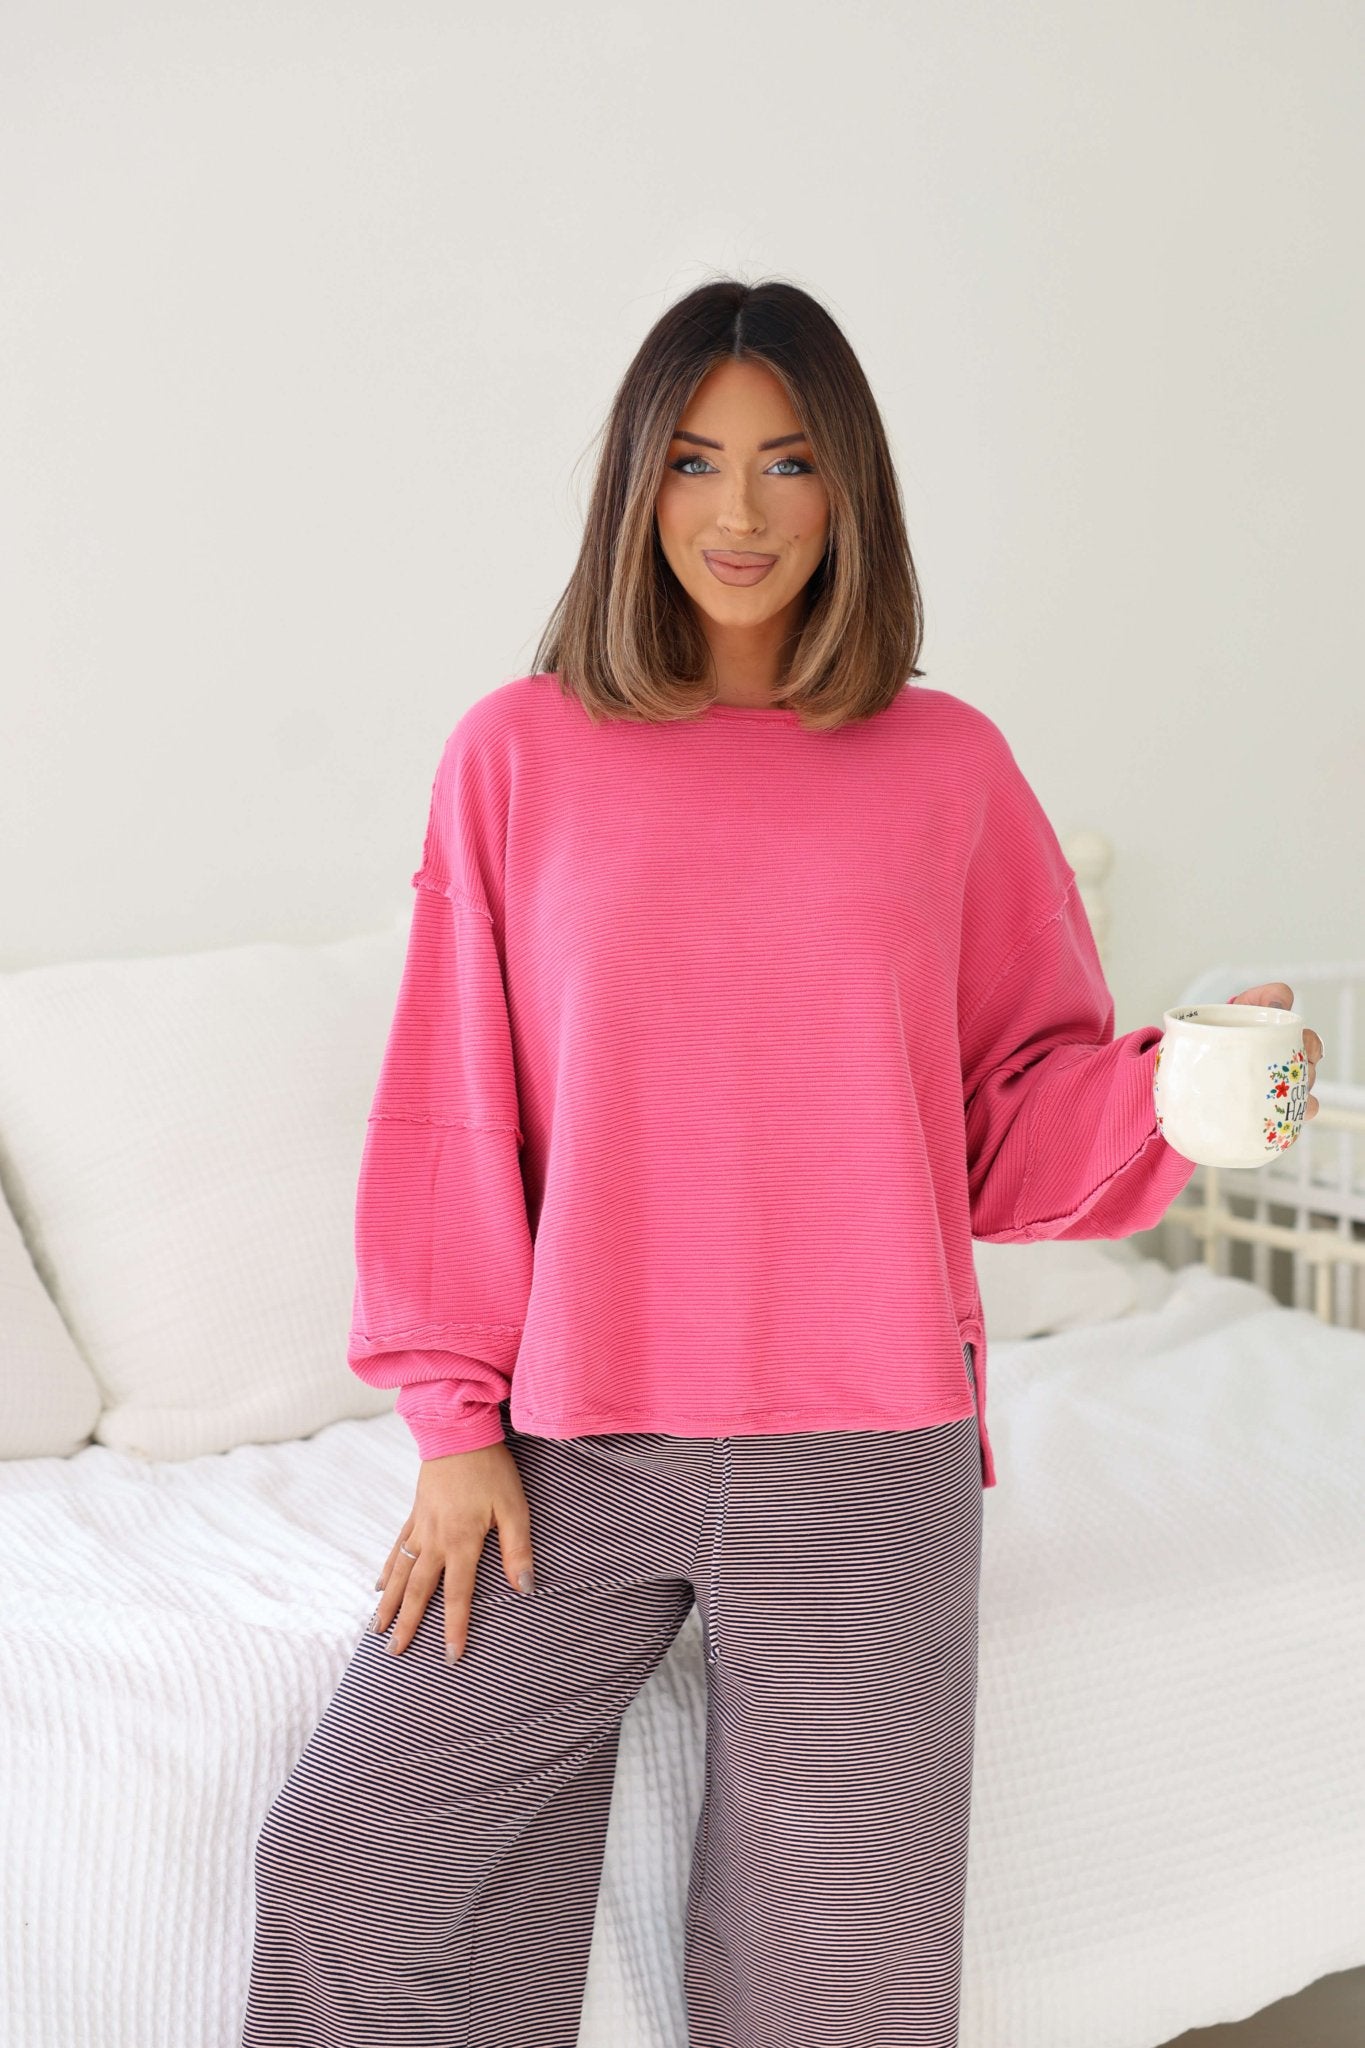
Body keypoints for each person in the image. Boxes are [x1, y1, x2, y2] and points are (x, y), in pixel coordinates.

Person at [239, 277, 1322, 2048]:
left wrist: (1176, 1099)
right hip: (577, 1439)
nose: (737, 514)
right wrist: (451, 1428)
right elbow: (453, 1108)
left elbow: (1005, 1114)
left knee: (835, 1980)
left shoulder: (946, 765)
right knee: (354, 1864)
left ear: (848, 492)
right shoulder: (516, 756)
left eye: (786, 462)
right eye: (692, 462)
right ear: (633, 489)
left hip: (862, 1448)